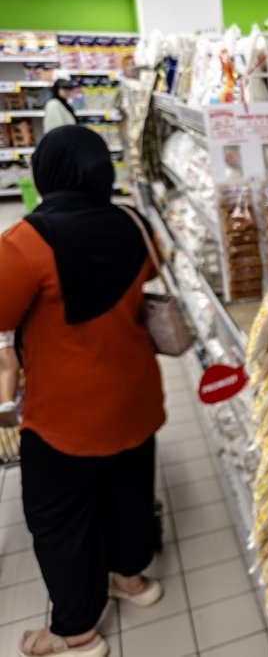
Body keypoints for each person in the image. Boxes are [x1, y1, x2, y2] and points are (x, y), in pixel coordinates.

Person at [0, 126, 166, 657]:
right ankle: (132, 580)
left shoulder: (25, 243)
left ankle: (76, 631)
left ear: (46, 174)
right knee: (129, 493)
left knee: (60, 519)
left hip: (64, 415)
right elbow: (157, 265)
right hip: (135, 397)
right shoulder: (135, 224)